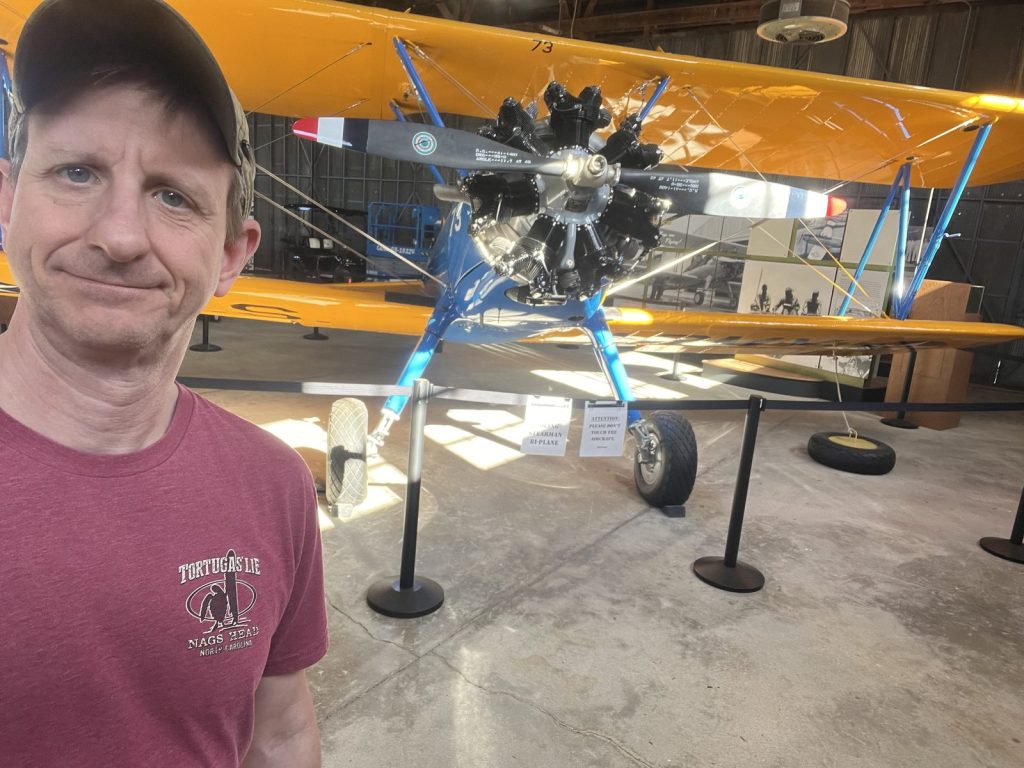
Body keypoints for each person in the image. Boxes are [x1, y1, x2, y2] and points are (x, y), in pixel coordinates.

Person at [0, 1, 328, 766]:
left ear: (230, 254)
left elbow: (278, 729)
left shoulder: (274, 485)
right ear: (8, 198)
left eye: (172, 195)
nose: (118, 236)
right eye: (76, 172)